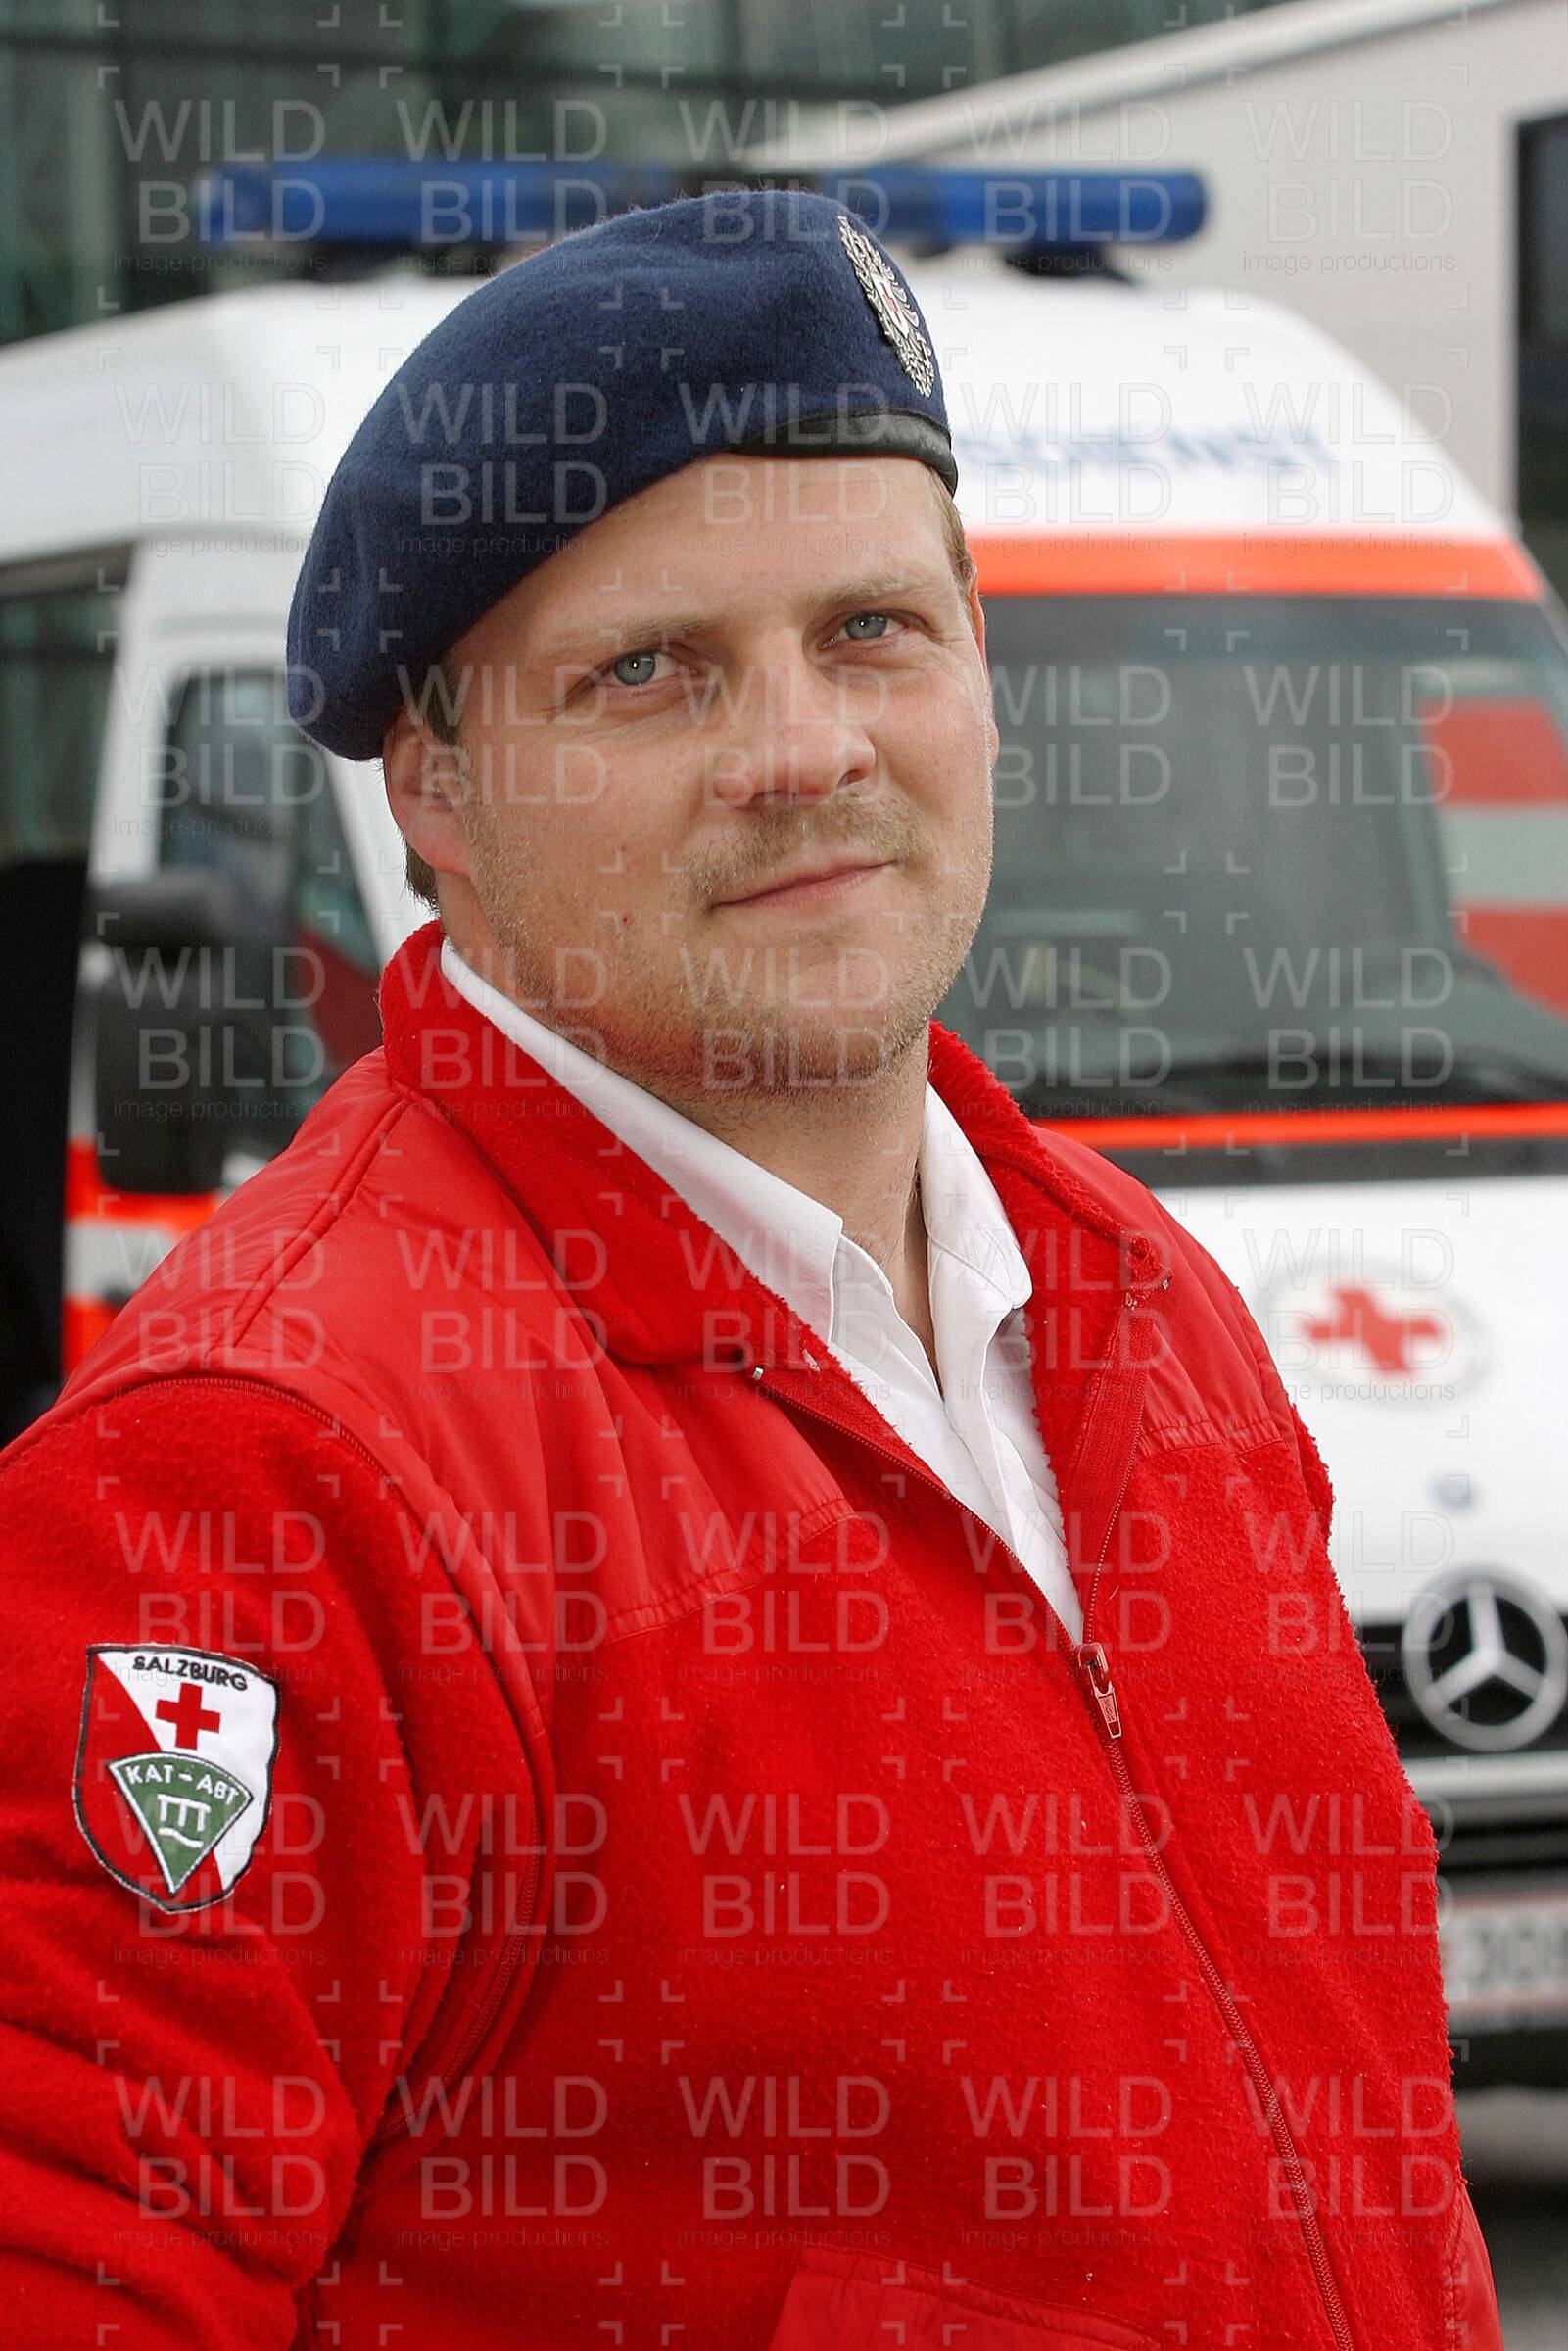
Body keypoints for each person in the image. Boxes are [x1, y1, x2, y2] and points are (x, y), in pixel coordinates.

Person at [0, 188, 1501, 2349]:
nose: (805, 749)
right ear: (436, 790)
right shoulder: (260, 1475)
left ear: (979, 669)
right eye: (651, 671)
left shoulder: (1141, 1304)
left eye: (871, 630)